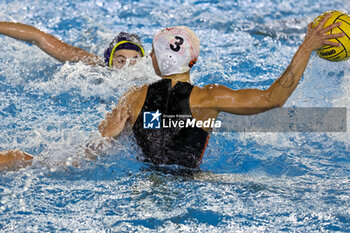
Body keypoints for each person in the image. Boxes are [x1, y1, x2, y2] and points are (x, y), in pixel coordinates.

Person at [0, 14, 345, 170]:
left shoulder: (132, 98)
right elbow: (275, 98)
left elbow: (90, 152)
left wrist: (111, 135)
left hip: (140, 180)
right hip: (190, 183)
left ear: (153, 61)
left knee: (40, 161)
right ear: (193, 59)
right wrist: (307, 45)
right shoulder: (208, 99)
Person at [0, 22, 145, 68]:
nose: (128, 66)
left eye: (134, 60)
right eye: (121, 61)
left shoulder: (152, 78)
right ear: (109, 61)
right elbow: (38, 37)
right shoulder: (97, 67)